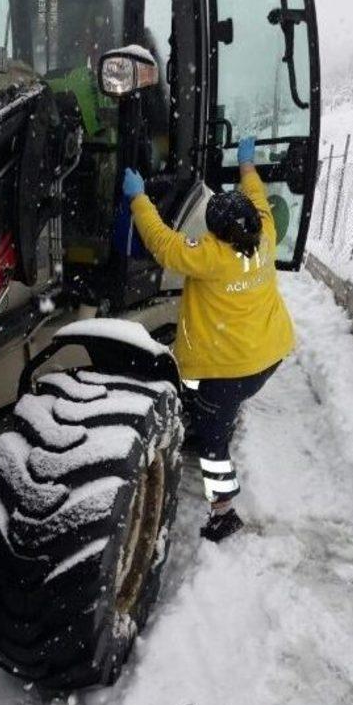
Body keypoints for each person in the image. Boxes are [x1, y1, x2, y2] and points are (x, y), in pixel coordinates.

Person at [122, 136, 295, 542]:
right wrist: (248, 167)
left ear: (217, 235)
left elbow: (164, 244)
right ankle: (215, 413)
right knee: (211, 402)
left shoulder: (211, 256)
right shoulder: (266, 235)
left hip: (230, 369)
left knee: (212, 443)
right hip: (269, 354)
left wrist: (139, 199)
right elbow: (256, 196)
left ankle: (224, 512)